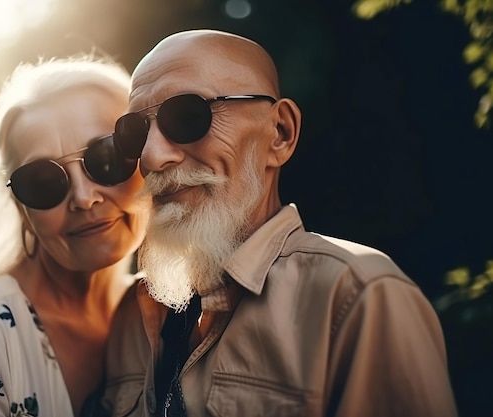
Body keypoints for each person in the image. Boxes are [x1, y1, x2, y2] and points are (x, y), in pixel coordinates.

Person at [101, 29, 458, 417]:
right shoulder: (131, 314)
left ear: (280, 133)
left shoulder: (358, 296)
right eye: (135, 133)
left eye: (188, 116)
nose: (152, 157)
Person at [0, 57, 149, 417]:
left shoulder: (165, 313)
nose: (83, 197)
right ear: (21, 209)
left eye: (106, 157)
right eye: (42, 181)